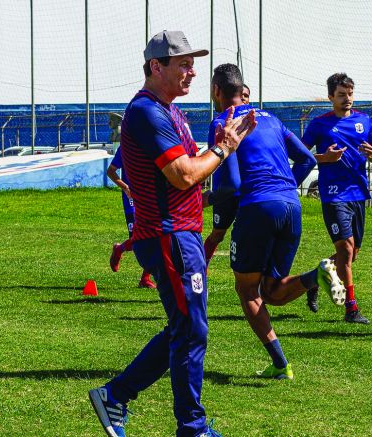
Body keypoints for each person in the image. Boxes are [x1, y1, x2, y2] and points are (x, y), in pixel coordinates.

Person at [88, 31, 256, 437]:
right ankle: (191, 427)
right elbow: (183, 175)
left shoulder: (171, 112)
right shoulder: (147, 112)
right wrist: (223, 149)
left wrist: (216, 178)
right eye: (183, 64)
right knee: (191, 330)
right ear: (155, 66)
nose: (192, 72)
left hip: (182, 234)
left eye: (193, 64)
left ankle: (116, 396)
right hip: (169, 237)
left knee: (186, 328)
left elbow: (188, 179)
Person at [209, 63, 339, 380]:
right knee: (272, 291)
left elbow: (231, 185)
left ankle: (281, 364)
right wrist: (284, 187)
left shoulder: (222, 122)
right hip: (291, 206)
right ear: (243, 90)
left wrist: (202, 199)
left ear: (216, 92)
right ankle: (316, 275)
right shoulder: (271, 119)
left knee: (247, 290)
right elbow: (306, 159)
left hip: (258, 208)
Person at [301, 73, 372, 322]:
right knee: (345, 250)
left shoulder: (364, 121)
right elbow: (300, 154)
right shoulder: (319, 124)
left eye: (350, 94)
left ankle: (314, 279)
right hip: (334, 195)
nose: (347, 99)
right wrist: (324, 158)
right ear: (330, 97)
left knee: (352, 254)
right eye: (341, 95)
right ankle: (351, 308)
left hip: (358, 193)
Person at [201, 83, 252, 266]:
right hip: (225, 192)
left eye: (246, 95)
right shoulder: (220, 124)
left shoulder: (255, 125)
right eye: (241, 94)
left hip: (248, 192)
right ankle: (201, 267)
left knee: (249, 233)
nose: (243, 98)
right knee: (218, 234)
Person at [107, 146, 157, 289]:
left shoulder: (152, 143)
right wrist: (126, 188)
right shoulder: (125, 147)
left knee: (155, 237)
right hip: (132, 200)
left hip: (150, 196)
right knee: (138, 240)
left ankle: (144, 279)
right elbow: (111, 171)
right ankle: (119, 249)